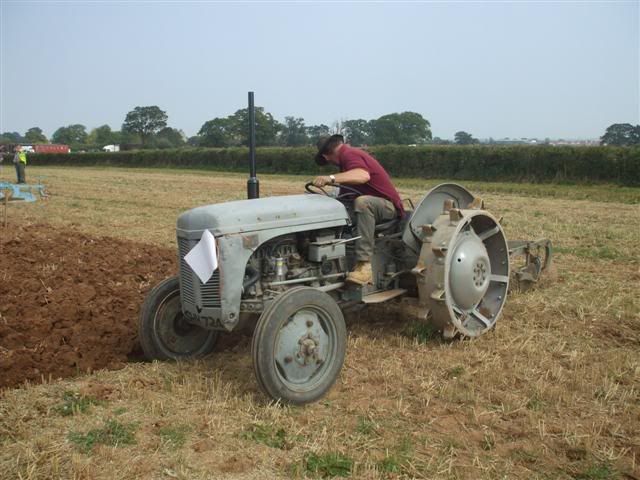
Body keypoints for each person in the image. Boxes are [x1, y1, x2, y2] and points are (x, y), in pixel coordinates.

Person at [313, 134, 404, 285]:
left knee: (362, 202)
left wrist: (331, 178)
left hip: (387, 207)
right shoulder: (345, 163)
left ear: (326, 156)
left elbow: (362, 175)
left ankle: (364, 266)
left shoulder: (350, 154)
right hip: (373, 206)